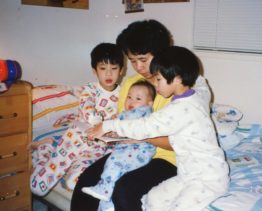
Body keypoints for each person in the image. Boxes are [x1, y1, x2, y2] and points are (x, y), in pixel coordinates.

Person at [71, 19, 211, 211]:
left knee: (124, 190)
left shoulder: (179, 87)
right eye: (132, 60)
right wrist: (111, 134)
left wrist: (135, 134)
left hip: (168, 157)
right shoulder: (131, 84)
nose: (138, 66)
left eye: (143, 59)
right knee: (86, 181)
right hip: (129, 151)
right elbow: (124, 120)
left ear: (161, 54)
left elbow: (178, 142)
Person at [88, 46, 229, 211]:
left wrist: (107, 125)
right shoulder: (198, 95)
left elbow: (144, 126)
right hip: (186, 175)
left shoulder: (179, 110)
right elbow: (201, 83)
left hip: (208, 178)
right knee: (153, 198)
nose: (155, 85)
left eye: (159, 79)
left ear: (177, 78)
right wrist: (186, 69)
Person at [30, 43, 124, 196]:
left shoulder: (123, 93)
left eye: (113, 69)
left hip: (100, 146)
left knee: (75, 182)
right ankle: (46, 158)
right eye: (103, 69)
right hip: (79, 135)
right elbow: (86, 105)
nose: (108, 74)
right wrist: (94, 119)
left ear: (121, 71)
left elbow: (124, 116)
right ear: (94, 71)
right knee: (62, 156)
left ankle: (63, 161)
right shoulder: (90, 89)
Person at [81, 80, 156, 209]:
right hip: (128, 149)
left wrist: (108, 133)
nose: (131, 101)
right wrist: (101, 134)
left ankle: (103, 189)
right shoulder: (127, 114)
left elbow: (130, 130)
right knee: (113, 171)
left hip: (139, 151)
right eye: (129, 97)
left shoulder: (142, 112)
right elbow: (117, 129)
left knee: (114, 164)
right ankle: (107, 205)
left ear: (149, 104)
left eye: (138, 98)